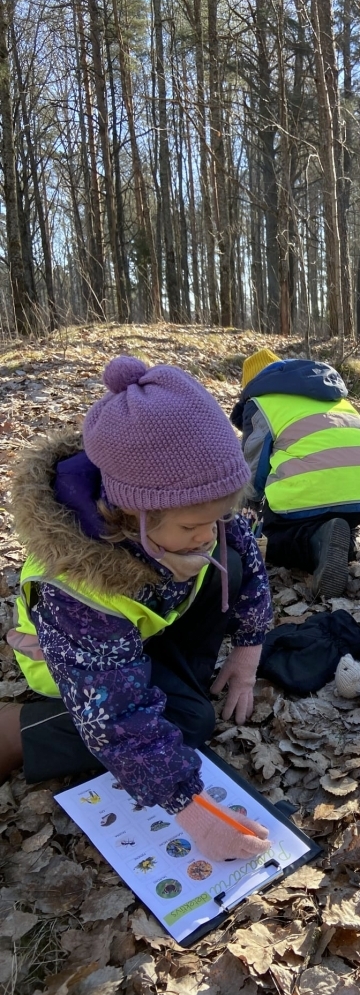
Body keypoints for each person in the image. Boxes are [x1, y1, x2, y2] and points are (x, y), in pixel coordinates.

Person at [1, 356, 273, 862]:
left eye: (217, 517)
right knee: (186, 723)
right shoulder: (76, 588)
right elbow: (118, 716)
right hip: (73, 659)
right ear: (133, 513)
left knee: (230, 561)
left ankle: (171, 672)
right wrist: (196, 813)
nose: (208, 535)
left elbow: (246, 554)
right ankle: (17, 729)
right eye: (194, 526)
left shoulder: (196, 506)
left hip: (146, 621)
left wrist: (247, 653)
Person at [231, 350, 360, 598]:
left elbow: (253, 470)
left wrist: (246, 510)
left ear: (249, 386)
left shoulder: (260, 403)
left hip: (309, 494)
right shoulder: (333, 395)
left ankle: (317, 541)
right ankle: (342, 541)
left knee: (271, 536)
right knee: (327, 509)